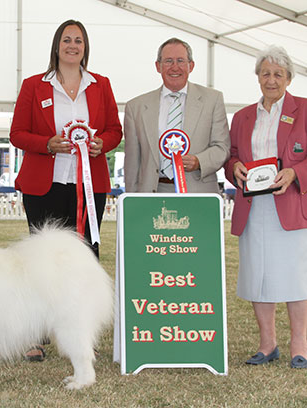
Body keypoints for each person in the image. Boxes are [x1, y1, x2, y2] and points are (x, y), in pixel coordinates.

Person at [10, 20, 122, 361]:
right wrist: (47, 143)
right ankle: (36, 335)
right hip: (43, 186)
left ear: (85, 47)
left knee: (84, 259)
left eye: (79, 40)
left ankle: (82, 334)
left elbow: (115, 130)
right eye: (66, 40)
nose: (72, 45)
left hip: (89, 187)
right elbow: (17, 133)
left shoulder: (101, 85)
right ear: (56, 46)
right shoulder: (34, 86)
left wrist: (102, 143)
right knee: (41, 261)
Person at [224, 45, 307, 368]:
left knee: (296, 276)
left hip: (291, 206)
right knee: (257, 275)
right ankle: (267, 344)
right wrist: (234, 168)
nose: (271, 80)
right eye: (265, 73)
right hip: (253, 208)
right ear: (257, 77)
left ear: (289, 78)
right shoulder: (243, 116)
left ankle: (299, 345)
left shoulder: (304, 109)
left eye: (278, 74)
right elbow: (231, 154)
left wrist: (295, 172)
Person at [124, 37, 230, 193]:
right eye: (168, 61)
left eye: (180, 61)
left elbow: (222, 147)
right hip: (152, 193)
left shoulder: (213, 100)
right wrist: (131, 200)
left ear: (191, 66)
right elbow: (132, 162)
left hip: (197, 191)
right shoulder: (135, 107)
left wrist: (199, 161)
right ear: (158, 66)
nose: (175, 67)